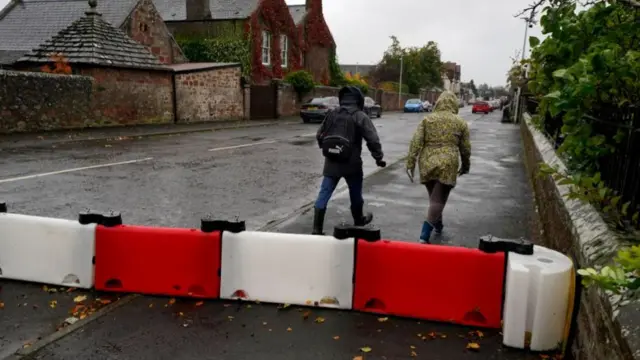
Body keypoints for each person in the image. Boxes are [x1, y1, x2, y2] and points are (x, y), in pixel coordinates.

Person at [312, 86, 386, 235]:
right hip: (352, 164)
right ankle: (359, 220)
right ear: (358, 100)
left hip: (331, 162)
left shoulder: (332, 114)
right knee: (355, 193)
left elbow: (319, 135)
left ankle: (316, 229)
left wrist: (327, 150)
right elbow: (372, 139)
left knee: (324, 193)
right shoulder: (360, 116)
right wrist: (378, 158)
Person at [406, 91, 471, 244]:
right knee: (438, 200)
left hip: (427, 161)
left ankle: (438, 224)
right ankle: (424, 235)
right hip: (448, 162)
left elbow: (416, 142)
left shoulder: (427, 120)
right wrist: (466, 166)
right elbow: (466, 148)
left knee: (434, 197)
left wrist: (410, 163)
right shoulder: (460, 122)